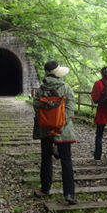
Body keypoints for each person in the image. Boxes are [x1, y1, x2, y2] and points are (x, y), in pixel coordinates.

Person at [33, 61, 77, 205]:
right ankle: (69, 193)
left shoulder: (40, 90)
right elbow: (70, 110)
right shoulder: (67, 89)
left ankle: (46, 187)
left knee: (46, 158)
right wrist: (59, 125)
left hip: (45, 130)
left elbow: (37, 108)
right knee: (66, 160)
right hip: (63, 131)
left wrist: (48, 124)